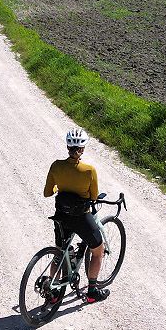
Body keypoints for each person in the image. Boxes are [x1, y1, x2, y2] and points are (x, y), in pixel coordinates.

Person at [43, 127, 110, 303]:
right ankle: (92, 292)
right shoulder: (89, 171)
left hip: (61, 216)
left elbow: (47, 192)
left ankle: (54, 292)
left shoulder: (56, 166)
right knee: (98, 250)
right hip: (81, 218)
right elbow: (94, 197)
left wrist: (60, 187)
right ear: (83, 149)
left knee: (60, 252)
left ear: (67, 146)